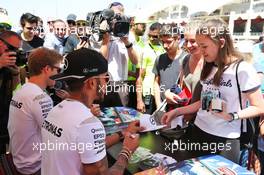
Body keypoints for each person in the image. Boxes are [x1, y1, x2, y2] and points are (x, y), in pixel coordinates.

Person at [161, 18, 264, 163]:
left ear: (221, 43)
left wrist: (231, 115)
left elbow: (259, 107)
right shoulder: (209, 66)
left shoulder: (243, 69)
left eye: (204, 46)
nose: (201, 51)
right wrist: (177, 111)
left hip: (225, 139)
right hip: (199, 131)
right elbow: (204, 103)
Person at [41, 48, 140, 175]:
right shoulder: (88, 123)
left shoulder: (55, 112)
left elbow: (86, 148)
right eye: (106, 78)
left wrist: (123, 133)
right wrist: (127, 151)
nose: (107, 84)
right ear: (92, 83)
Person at [8, 47, 63, 174]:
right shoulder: (41, 98)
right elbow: (56, 135)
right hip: (34, 166)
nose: (60, 74)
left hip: (20, 160)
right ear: (47, 69)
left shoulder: (22, 90)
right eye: (58, 70)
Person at [100, 2, 139, 107]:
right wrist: (105, 41)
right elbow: (101, 61)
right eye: (112, 15)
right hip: (103, 85)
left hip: (121, 85)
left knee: (122, 118)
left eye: (118, 15)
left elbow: (135, 61)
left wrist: (126, 42)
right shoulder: (101, 33)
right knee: (104, 118)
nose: (115, 18)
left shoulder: (128, 34)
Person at [164, 21, 203, 121]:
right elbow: (181, 88)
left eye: (193, 41)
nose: (189, 45)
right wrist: (168, 93)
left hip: (204, 121)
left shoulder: (211, 63)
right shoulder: (185, 60)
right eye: (186, 41)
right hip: (185, 119)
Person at [153, 24, 187, 109]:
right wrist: (158, 103)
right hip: (162, 106)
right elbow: (156, 82)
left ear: (178, 39)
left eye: (168, 42)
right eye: (163, 42)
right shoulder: (159, 59)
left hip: (180, 108)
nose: (165, 46)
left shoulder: (187, 59)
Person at [0, 31, 22, 154]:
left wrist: (16, 75)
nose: (14, 53)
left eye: (17, 50)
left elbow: (17, 96)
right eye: (11, 48)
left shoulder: (10, 67)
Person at [136, 22, 165, 114]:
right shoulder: (144, 50)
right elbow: (139, 77)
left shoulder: (166, 49)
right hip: (148, 92)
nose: (151, 38)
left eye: (155, 36)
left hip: (163, 92)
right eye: (149, 36)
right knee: (146, 122)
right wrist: (139, 100)